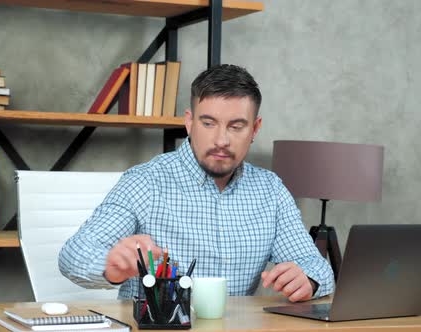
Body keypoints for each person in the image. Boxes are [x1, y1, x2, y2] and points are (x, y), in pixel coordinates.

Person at [59, 64, 334, 302]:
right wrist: (111, 267)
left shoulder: (270, 190)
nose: (221, 140)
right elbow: (73, 256)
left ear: (255, 129)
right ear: (189, 123)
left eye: (236, 126)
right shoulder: (145, 183)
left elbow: (317, 267)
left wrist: (307, 280)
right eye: (208, 123)